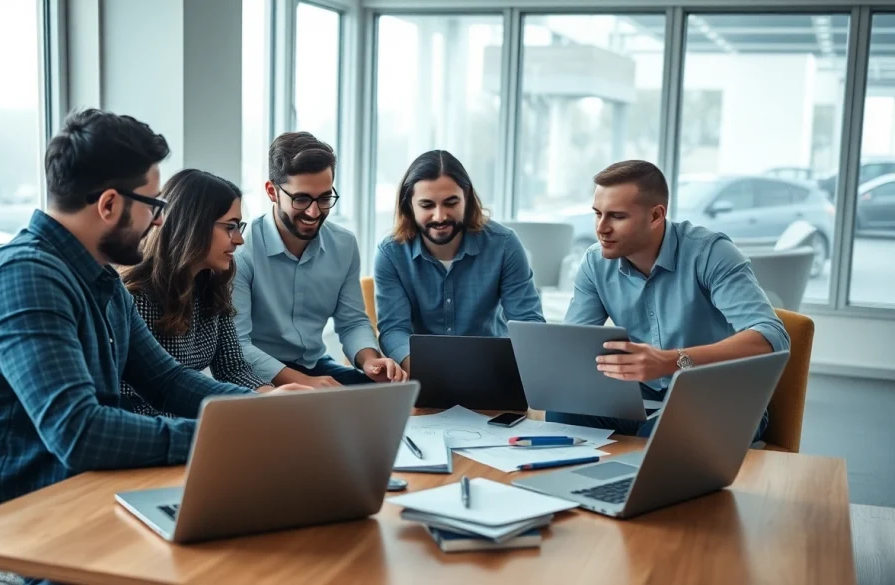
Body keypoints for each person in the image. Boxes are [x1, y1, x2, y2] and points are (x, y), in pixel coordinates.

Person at [0, 110, 308, 585]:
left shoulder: (100, 278)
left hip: (90, 492)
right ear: (110, 204)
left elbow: (166, 379)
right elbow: (80, 433)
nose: (158, 219)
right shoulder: (26, 279)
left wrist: (259, 412)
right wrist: (225, 437)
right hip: (29, 516)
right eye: (153, 204)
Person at [550, 160, 791, 439]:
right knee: (562, 411)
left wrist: (671, 361)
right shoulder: (595, 263)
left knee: (661, 435)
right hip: (643, 396)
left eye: (617, 216)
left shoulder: (710, 253)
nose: (601, 228)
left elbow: (771, 337)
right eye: (598, 214)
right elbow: (574, 344)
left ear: (656, 215)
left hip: (720, 396)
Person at [233, 131, 406, 387]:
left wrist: (371, 361)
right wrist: (306, 384)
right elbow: (238, 345)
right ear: (272, 191)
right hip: (256, 372)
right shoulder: (241, 250)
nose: (314, 212)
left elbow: (352, 322)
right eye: (301, 199)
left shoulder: (344, 245)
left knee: (382, 393)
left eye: (324, 198)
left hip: (313, 364)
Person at [119, 169, 274, 417]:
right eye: (230, 227)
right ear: (194, 226)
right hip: (152, 429)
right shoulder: (136, 297)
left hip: (186, 423)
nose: (239, 240)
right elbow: (136, 399)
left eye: (239, 227)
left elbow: (232, 368)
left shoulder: (211, 285)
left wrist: (271, 398)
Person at [374, 149, 545, 374]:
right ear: (409, 206)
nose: (440, 216)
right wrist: (422, 369)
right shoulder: (390, 253)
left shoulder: (504, 245)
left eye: (451, 203)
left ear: (467, 200)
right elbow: (394, 329)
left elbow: (527, 322)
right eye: (427, 205)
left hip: (491, 372)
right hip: (422, 374)